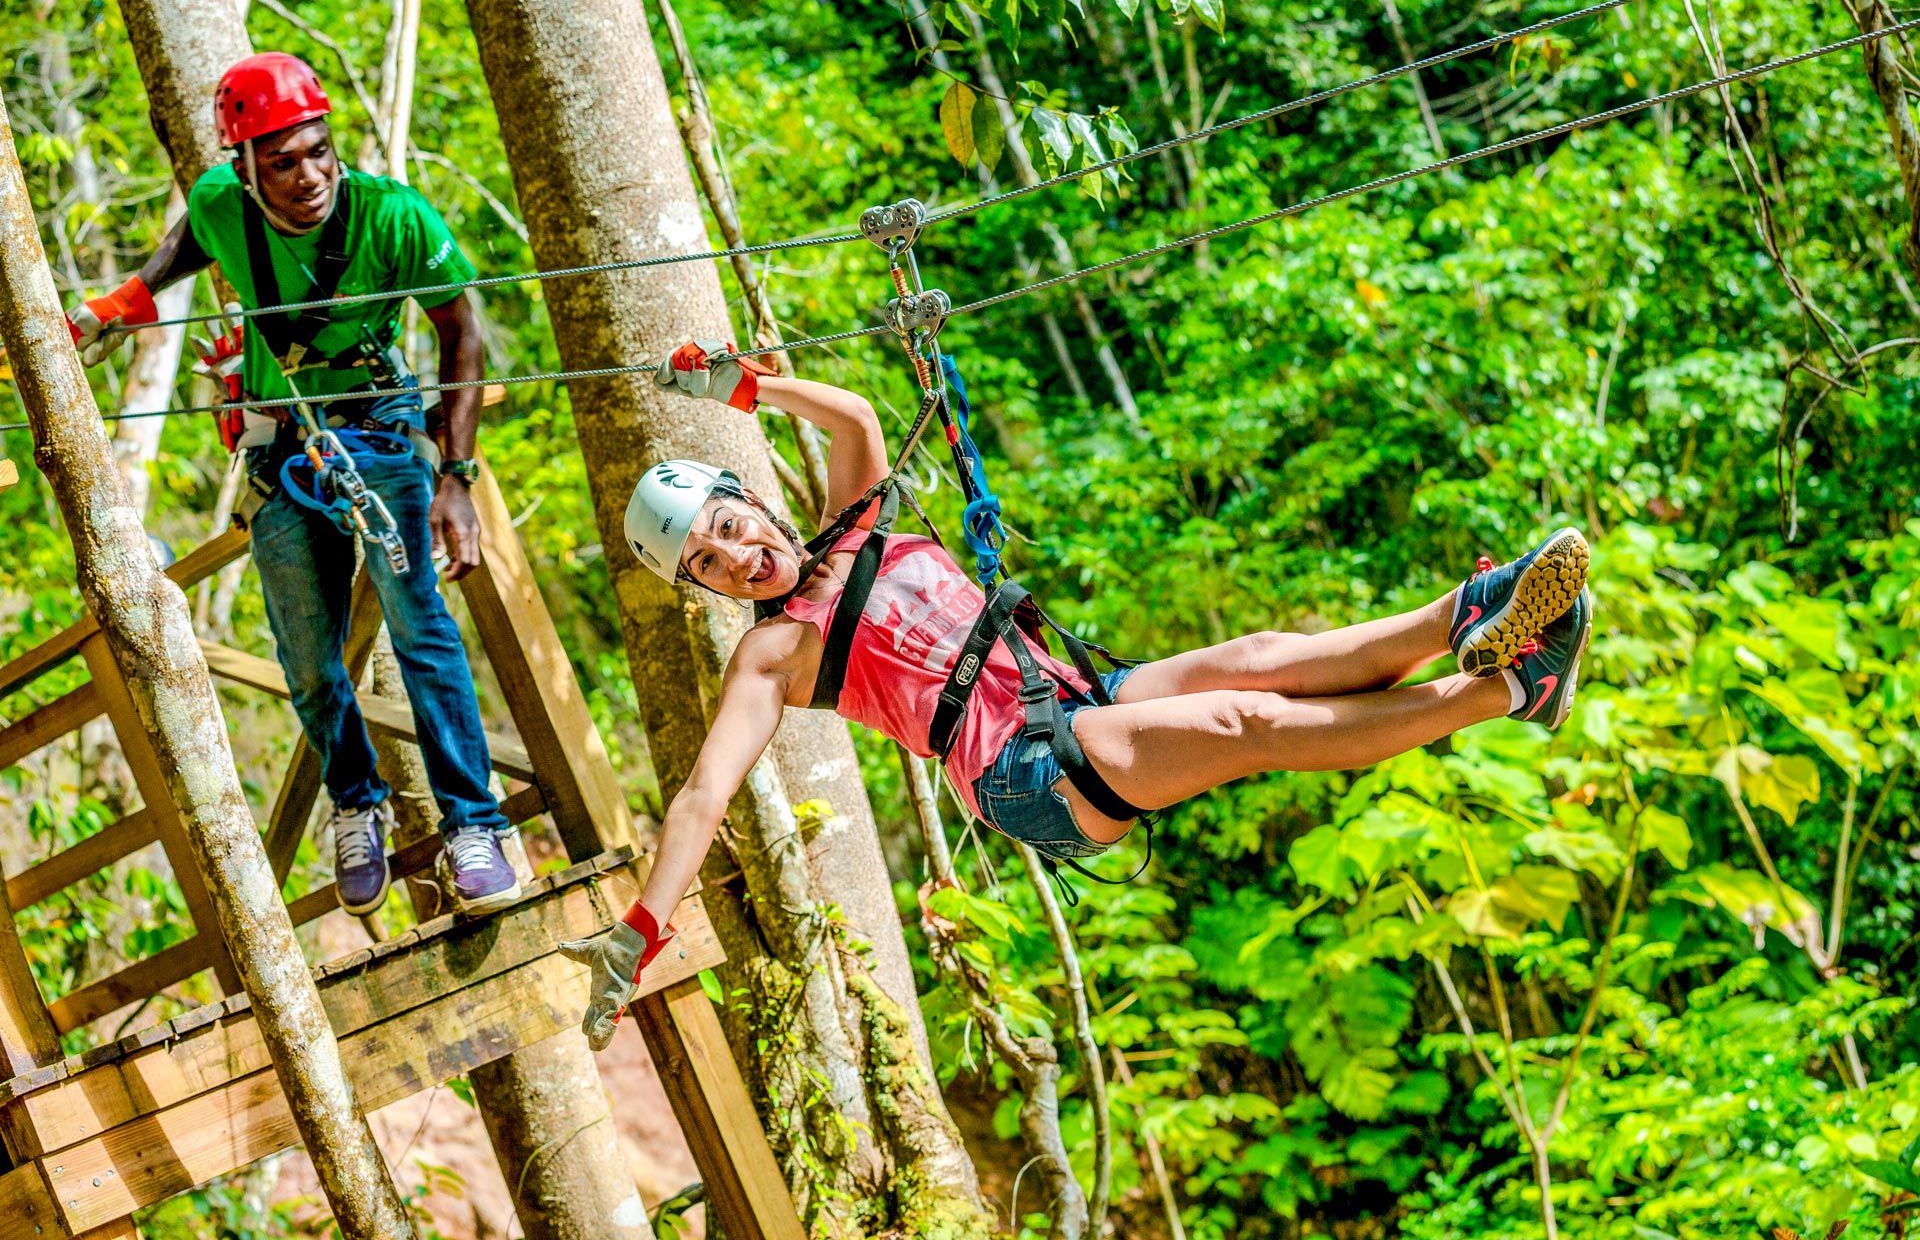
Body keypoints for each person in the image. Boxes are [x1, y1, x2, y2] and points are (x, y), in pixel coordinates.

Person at [558, 342, 1595, 1047]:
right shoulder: (771, 655)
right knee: (1249, 722)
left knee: (1270, 652)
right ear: (705, 591)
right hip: (1024, 770)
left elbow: (856, 414)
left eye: (729, 527)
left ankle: (1474, 608)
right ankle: (1511, 686)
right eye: (708, 564)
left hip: (1074, 690)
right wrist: (641, 924)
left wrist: (742, 386)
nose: (738, 557)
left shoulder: (855, 522)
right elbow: (704, 794)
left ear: (749, 503)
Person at [65, 52, 519, 915]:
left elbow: (462, 335)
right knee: (308, 661)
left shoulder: (393, 217)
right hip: (282, 454)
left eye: (318, 151)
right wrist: (125, 300)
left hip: (383, 437)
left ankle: (476, 825)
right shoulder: (220, 205)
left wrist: (456, 475)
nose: (308, 176)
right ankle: (357, 805)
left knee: (422, 630)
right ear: (245, 166)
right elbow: (192, 239)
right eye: (282, 162)